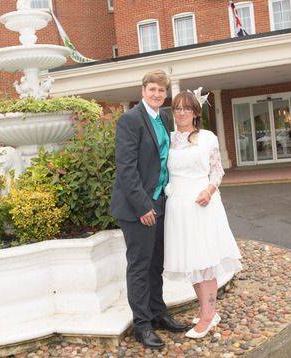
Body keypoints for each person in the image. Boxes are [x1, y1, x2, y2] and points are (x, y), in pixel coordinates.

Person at [110, 70, 187, 349]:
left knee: (156, 263)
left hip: (161, 202)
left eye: (161, 91)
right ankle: (142, 324)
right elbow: (126, 168)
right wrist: (143, 205)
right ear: (143, 90)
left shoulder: (165, 118)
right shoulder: (130, 120)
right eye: (152, 89)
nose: (157, 94)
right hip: (137, 206)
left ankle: (157, 313)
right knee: (140, 266)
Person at [163, 89, 243, 339]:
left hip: (202, 204)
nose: (181, 112)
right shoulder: (169, 139)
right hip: (178, 205)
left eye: (186, 108)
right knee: (191, 261)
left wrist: (208, 191)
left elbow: (217, 172)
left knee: (205, 261)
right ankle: (207, 309)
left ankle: (208, 316)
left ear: (196, 112)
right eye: (177, 108)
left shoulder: (208, 138)